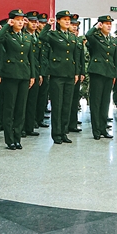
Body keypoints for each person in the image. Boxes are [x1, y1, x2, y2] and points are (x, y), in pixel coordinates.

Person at [0, 9, 36, 150]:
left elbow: (31, 57)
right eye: (17, 20)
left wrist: (32, 75)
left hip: (24, 75)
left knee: (20, 108)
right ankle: (9, 139)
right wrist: (7, 25)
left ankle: (17, 138)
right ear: (12, 21)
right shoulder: (7, 35)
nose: (20, 22)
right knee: (9, 107)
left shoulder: (27, 37)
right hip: (11, 75)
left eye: (22, 20)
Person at [38, 11, 78, 145]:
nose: (67, 21)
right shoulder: (54, 35)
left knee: (67, 105)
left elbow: (75, 56)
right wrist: (48, 25)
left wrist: (76, 73)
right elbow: (42, 37)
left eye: (68, 20)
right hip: (57, 74)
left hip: (70, 74)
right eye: (64, 19)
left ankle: (64, 132)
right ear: (59, 21)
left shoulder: (72, 36)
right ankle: (56, 134)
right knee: (58, 105)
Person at [85, 15, 117, 140]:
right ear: (100, 25)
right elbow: (88, 35)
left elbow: (114, 58)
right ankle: (96, 130)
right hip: (97, 72)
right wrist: (95, 27)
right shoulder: (95, 38)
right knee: (96, 101)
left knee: (105, 102)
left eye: (110, 24)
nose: (109, 26)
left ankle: (103, 128)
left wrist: (114, 73)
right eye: (106, 23)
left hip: (109, 73)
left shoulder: (112, 40)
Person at [22, 11, 42, 138]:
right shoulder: (23, 35)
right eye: (31, 21)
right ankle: (22, 127)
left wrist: (39, 73)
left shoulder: (37, 37)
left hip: (35, 71)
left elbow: (39, 57)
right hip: (24, 71)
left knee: (32, 101)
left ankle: (29, 126)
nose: (34, 24)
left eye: (35, 22)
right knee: (22, 102)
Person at [68, 15, 86, 134]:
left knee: (75, 99)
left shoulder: (79, 40)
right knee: (67, 100)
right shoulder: (65, 38)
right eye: (72, 25)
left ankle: (73, 123)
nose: (74, 27)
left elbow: (81, 59)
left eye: (76, 26)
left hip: (77, 73)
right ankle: (65, 124)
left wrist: (82, 72)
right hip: (68, 72)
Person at [35, 13, 51, 130]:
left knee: (43, 97)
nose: (43, 25)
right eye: (41, 23)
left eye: (45, 23)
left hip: (45, 70)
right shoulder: (36, 36)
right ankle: (33, 120)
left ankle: (39, 119)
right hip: (37, 70)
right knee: (34, 98)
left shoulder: (47, 36)